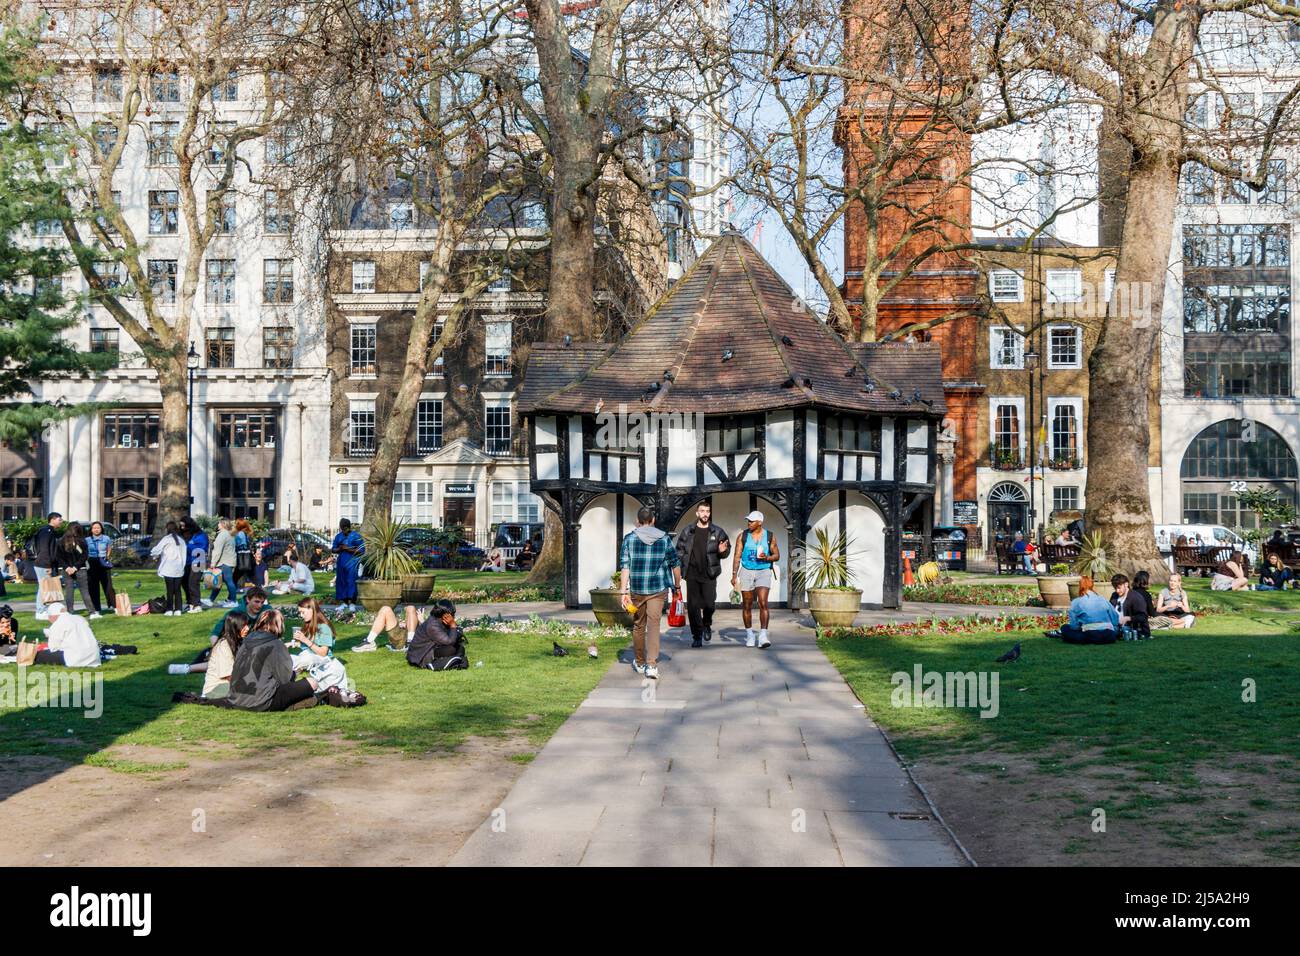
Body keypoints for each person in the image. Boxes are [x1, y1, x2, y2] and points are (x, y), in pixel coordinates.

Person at [618, 507, 682, 679]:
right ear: (653, 520)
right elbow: (675, 564)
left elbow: (625, 567)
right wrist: (677, 587)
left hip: (637, 590)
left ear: (638, 521)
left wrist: (623, 592)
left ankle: (639, 662)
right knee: (654, 625)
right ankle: (651, 665)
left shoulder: (629, 539)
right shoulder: (664, 539)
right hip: (658, 589)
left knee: (639, 625)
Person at [224, 608, 321, 711]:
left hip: (236, 700)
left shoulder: (246, 641)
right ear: (278, 625)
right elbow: (285, 680)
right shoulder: (276, 644)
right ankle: (297, 704)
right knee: (312, 683)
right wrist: (295, 673)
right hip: (261, 702)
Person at [674, 500, 730, 648]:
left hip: (709, 573)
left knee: (709, 604)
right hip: (691, 573)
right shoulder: (688, 531)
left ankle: (707, 623)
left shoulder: (717, 532)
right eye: (703, 511)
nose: (705, 514)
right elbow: (679, 552)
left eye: (707, 511)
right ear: (697, 513)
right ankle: (697, 636)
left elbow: (726, 550)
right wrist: (678, 572)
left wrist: (722, 551)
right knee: (693, 607)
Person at [730, 509, 777, 648]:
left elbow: (777, 555)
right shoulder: (742, 536)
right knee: (747, 604)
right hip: (746, 571)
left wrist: (767, 557)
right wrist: (734, 575)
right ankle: (750, 635)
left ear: (760, 522)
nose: (749, 523)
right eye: (748, 521)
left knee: (763, 602)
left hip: (763, 570)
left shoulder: (769, 536)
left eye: (752, 521)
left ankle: (763, 635)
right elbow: (737, 556)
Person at [289, 597, 348, 690]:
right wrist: (292, 644)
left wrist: (304, 640)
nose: (301, 615)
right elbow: (309, 647)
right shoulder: (310, 625)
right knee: (291, 660)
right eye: (300, 612)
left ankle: (289, 683)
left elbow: (323, 652)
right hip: (315, 659)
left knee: (301, 660)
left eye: (303, 612)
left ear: (312, 610)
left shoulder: (324, 627)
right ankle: (288, 683)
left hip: (325, 661)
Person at [1050, 576, 1120, 644]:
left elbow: (1074, 626)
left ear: (1080, 586)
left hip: (1090, 635)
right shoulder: (1103, 599)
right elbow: (1115, 618)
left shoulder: (1076, 602)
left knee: (1065, 628)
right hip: (1109, 635)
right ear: (1092, 585)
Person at [406, 598, 468, 670]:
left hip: (431, 649)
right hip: (421, 656)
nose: (453, 617)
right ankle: (435, 665)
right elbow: (450, 642)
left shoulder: (439, 620)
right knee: (452, 649)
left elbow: (459, 634)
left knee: (460, 648)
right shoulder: (433, 625)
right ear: (446, 616)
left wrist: (454, 628)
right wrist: (453, 625)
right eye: (452, 614)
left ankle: (453, 660)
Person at [200, 610, 249, 699]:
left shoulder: (239, 643)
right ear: (235, 627)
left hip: (228, 686)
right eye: (244, 626)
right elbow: (228, 676)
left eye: (247, 625)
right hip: (215, 689)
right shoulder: (224, 646)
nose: (247, 628)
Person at [35, 602, 100, 666]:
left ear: (52, 616)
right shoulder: (80, 618)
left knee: (38, 655)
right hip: (94, 657)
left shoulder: (58, 623)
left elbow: (53, 648)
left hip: (76, 659)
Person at [150, 521, 189, 616]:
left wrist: (154, 556)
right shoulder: (181, 540)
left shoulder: (167, 539)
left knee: (170, 590)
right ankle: (178, 609)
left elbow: (156, 549)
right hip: (179, 568)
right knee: (177, 590)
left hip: (169, 567)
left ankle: (169, 609)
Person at [31, 511, 64, 621]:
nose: (61, 522)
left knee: (45, 587)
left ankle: (44, 609)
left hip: (46, 563)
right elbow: (45, 549)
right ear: (53, 519)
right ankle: (40, 611)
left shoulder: (50, 531)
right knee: (43, 587)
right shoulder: (46, 531)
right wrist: (48, 565)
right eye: (59, 520)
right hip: (43, 564)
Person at [57, 522, 93, 616]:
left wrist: (67, 567)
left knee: (69, 591)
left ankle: (70, 611)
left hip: (66, 570)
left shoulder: (61, 541)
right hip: (80, 568)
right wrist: (75, 567)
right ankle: (92, 612)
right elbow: (84, 556)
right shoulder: (82, 541)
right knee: (84, 591)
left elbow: (59, 557)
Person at [85, 521, 117, 617]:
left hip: (103, 563)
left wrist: (107, 556)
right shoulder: (87, 539)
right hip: (92, 563)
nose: (96, 529)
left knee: (108, 586)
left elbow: (109, 547)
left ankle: (113, 605)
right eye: (94, 528)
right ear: (91, 529)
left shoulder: (106, 538)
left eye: (98, 528)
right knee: (93, 587)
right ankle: (96, 608)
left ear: (101, 529)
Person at [332, 518, 364, 613]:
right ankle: (344, 603)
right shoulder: (339, 536)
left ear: (348, 527)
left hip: (352, 562)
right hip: (341, 562)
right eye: (341, 529)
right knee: (341, 582)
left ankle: (352, 603)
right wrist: (340, 548)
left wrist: (348, 549)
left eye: (344, 528)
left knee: (351, 581)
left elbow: (361, 550)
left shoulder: (356, 536)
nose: (343, 531)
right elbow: (333, 549)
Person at [206, 519, 238, 608]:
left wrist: (213, 563)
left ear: (223, 524)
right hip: (229, 561)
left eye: (219, 523)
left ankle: (233, 601)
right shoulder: (230, 534)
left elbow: (217, 550)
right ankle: (211, 600)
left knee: (228, 581)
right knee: (219, 582)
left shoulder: (222, 535)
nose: (218, 525)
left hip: (224, 562)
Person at [181, 517, 208, 614]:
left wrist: (187, 546)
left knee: (193, 582)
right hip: (188, 561)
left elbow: (201, 548)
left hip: (198, 561)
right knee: (185, 582)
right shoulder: (185, 535)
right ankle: (190, 602)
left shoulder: (200, 535)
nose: (182, 527)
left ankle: (197, 604)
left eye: (184, 525)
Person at [1124, 570, 1156, 640]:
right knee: (1166, 620)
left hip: (1128, 622)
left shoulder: (1130, 592)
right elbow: (1152, 613)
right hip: (1141, 623)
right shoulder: (1146, 594)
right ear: (1145, 581)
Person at [232, 519, 255, 589]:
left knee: (236, 575)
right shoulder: (246, 533)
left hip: (240, 557)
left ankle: (237, 589)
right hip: (245, 557)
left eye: (236, 523)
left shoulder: (240, 534)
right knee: (241, 575)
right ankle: (240, 588)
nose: (234, 525)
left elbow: (241, 545)